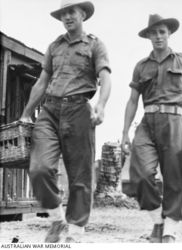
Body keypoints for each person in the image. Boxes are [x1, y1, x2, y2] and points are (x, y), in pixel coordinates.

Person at [19, 0, 111, 243]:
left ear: (83, 14)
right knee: (39, 168)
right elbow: (42, 81)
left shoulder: (95, 44)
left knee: (80, 175)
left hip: (79, 109)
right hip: (49, 110)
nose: (67, 16)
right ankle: (56, 218)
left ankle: (76, 232)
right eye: (63, 13)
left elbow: (105, 77)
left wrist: (101, 106)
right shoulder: (54, 46)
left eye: (72, 12)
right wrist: (26, 113)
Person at [121, 14, 182, 243]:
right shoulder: (141, 66)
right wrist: (124, 133)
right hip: (147, 123)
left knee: (174, 178)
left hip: (174, 122)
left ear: (169, 33)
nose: (158, 36)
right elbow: (132, 101)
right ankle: (158, 221)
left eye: (162, 32)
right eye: (154, 32)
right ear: (148, 36)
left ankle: (169, 229)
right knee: (138, 175)